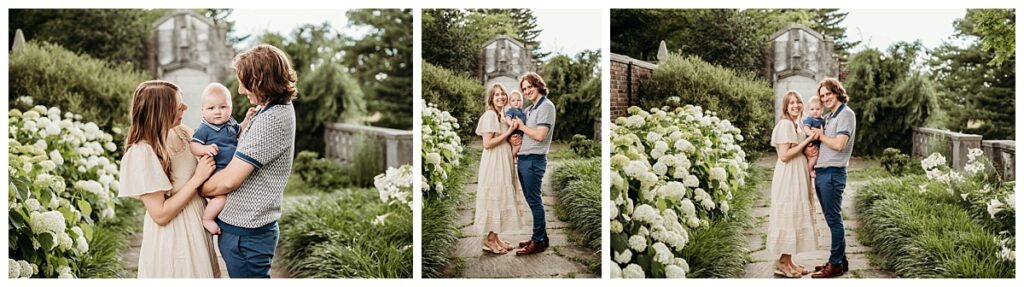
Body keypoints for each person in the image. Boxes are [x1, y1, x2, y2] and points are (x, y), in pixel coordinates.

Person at [201, 44, 298, 278]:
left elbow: (229, 181)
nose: (242, 90)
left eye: (245, 82)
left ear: (260, 80)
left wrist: (199, 186)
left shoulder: (272, 119)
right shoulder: (270, 110)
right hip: (245, 231)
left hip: (247, 235)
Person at [118, 80, 220, 278]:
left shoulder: (184, 134)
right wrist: (197, 179)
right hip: (174, 238)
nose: (185, 107)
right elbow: (160, 215)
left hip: (198, 229)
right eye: (178, 105)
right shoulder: (142, 153)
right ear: (161, 110)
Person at [189, 83, 257, 235]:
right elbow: (193, 146)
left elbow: (240, 130)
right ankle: (207, 218)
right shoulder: (204, 129)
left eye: (223, 107)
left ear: (230, 108)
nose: (217, 112)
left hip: (232, 169)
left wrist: (247, 120)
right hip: (216, 173)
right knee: (221, 198)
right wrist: (205, 149)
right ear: (203, 110)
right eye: (211, 108)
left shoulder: (231, 123)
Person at [767, 90, 821, 278]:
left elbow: (797, 149)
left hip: (797, 173)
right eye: (791, 103)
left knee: (795, 217)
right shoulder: (784, 124)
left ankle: (789, 261)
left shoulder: (795, 125)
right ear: (786, 107)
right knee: (789, 215)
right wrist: (807, 141)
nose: (796, 105)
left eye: (798, 102)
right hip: (788, 176)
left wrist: (809, 151)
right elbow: (784, 155)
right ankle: (782, 263)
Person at [473, 83, 528, 255]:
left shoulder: (501, 115)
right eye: (496, 95)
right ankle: (489, 240)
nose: (501, 97)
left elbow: (504, 137)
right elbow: (487, 143)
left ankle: (496, 238)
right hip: (493, 162)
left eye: (503, 94)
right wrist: (508, 133)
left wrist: (512, 141)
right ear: (491, 98)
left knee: (501, 198)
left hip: (503, 159)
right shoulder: (490, 115)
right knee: (494, 197)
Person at [810, 78, 857, 279]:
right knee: (831, 219)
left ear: (837, 92)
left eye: (828, 93)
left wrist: (820, 137)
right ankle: (840, 260)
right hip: (822, 172)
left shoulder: (846, 114)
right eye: (822, 95)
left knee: (834, 219)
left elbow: (839, 145)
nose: (825, 98)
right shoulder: (829, 117)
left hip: (832, 173)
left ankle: (835, 264)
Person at [512, 72, 556, 256]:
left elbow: (540, 135)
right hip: (524, 159)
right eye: (524, 89)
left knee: (535, 202)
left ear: (538, 85)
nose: (527, 91)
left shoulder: (546, 106)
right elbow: (527, 134)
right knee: (532, 201)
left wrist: (521, 127)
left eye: (529, 86)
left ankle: (537, 242)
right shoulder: (531, 109)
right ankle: (541, 237)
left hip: (533, 161)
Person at [801, 95, 825, 178]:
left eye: (818, 109)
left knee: (817, 157)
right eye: (812, 109)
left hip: (818, 143)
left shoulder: (822, 120)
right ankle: (810, 170)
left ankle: (813, 169)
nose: (815, 111)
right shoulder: (809, 119)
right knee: (814, 157)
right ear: (808, 110)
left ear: (822, 109)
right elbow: (806, 128)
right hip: (811, 142)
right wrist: (812, 135)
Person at [504, 90, 527, 163]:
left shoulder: (523, 112)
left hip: (521, 133)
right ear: (510, 103)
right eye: (513, 100)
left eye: (518, 100)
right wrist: (511, 124)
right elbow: (507, 118)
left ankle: (514, 156)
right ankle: (512, 156)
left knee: (518, 146)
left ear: (522, 101)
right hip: (514, 132)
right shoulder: (512, 111)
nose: (516, 102)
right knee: (517, 145)